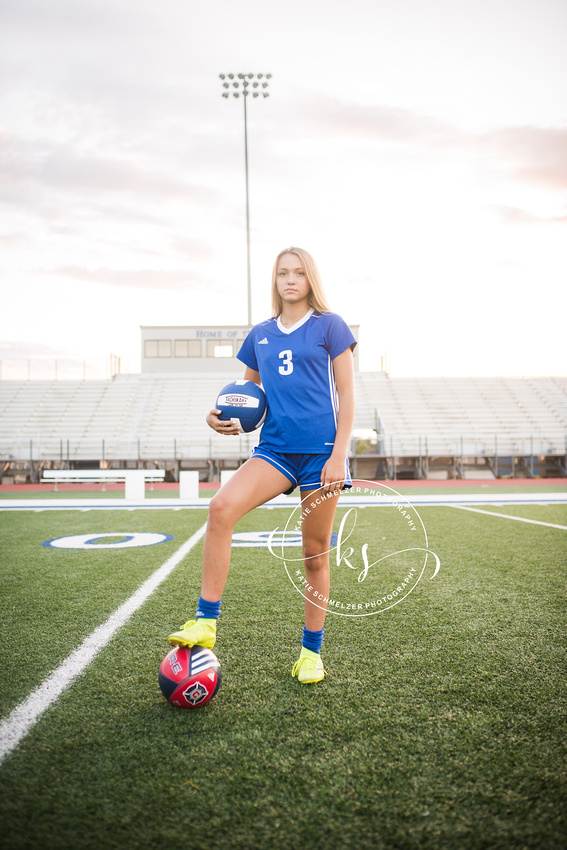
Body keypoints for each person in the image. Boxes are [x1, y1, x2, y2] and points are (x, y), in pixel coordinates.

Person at [169, 246, 357, 683]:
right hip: (274, 449)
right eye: (282, 274)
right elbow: (245, 395)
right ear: (274, 281)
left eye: (298, 273)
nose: (290, 280)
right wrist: (219, 417)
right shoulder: (260, 334)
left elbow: (347, 395)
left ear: (310, 279)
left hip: (320, 453)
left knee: (314, 554)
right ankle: (206, 621)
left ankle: (311, 653)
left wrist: (339, 455)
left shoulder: (330, 326)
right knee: (220, 508)